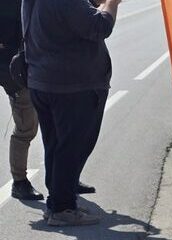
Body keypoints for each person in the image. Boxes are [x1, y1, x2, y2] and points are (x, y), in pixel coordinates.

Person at [24, 0, 121, 226]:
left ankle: (57, 202)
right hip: (71, 86)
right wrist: (112, 3)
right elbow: (99, 27)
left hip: (44, 81)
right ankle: (63, 208)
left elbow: (68, 19)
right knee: (72, 148)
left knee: (56, 145)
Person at [0, 0, 41, 201]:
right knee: (26, 127)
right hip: (18, 73)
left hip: (42, 69)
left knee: (57, 125)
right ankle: (19, 181)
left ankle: (63, 177)